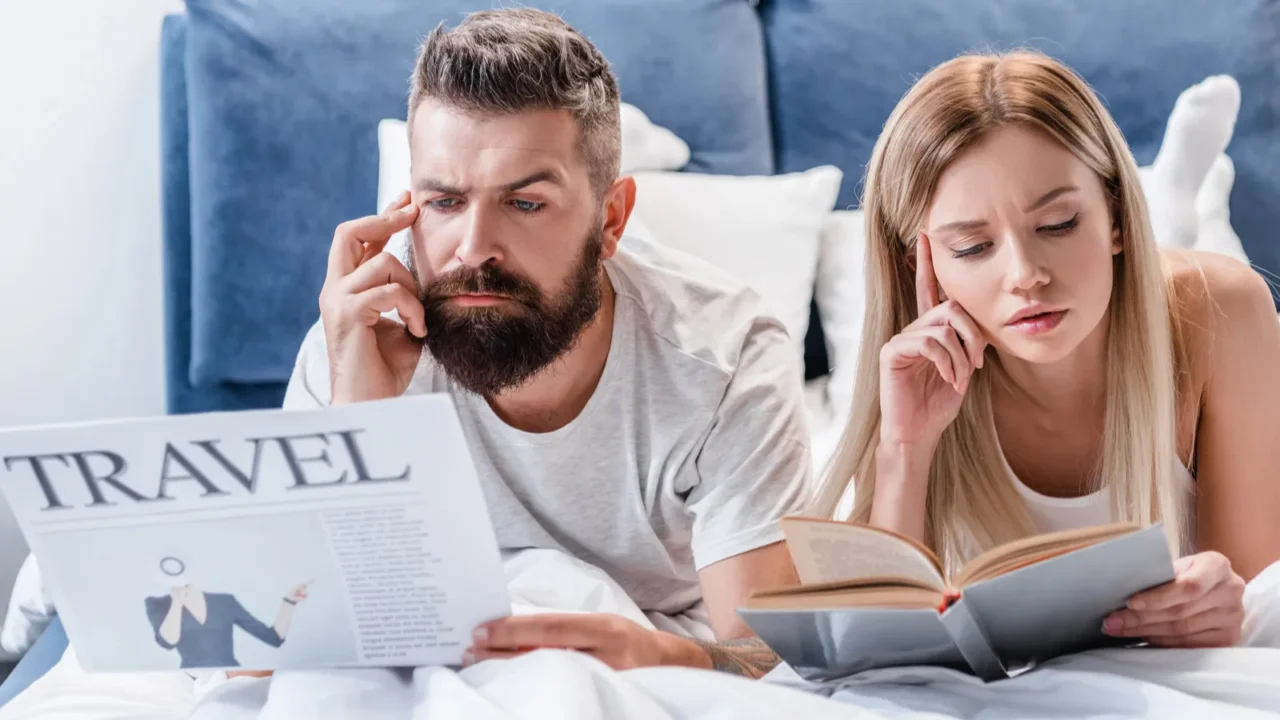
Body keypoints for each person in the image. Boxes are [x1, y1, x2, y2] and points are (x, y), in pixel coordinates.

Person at [281, 8, 806, 678]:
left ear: (611, 219)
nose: (473, 248)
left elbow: (767, 658)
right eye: (444, 203)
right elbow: (273, 637)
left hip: (654, 662)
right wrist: (361, 421)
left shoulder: (726, 362)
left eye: (525, 204)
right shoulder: (357, 338)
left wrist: (652, 653)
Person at [813, 51, 1280, 649]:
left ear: (1116, 214)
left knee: (1180, 275)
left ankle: (1174, 200)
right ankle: (1168, 199)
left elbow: (1255, 606)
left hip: (1173, 304)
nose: (1025, 275)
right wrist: (906, 447)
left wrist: (1224, 604)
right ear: (922, 267)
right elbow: (880, 649)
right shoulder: (911, 372)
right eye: (973, 247)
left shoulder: (1226, 309)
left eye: (1057, 224)